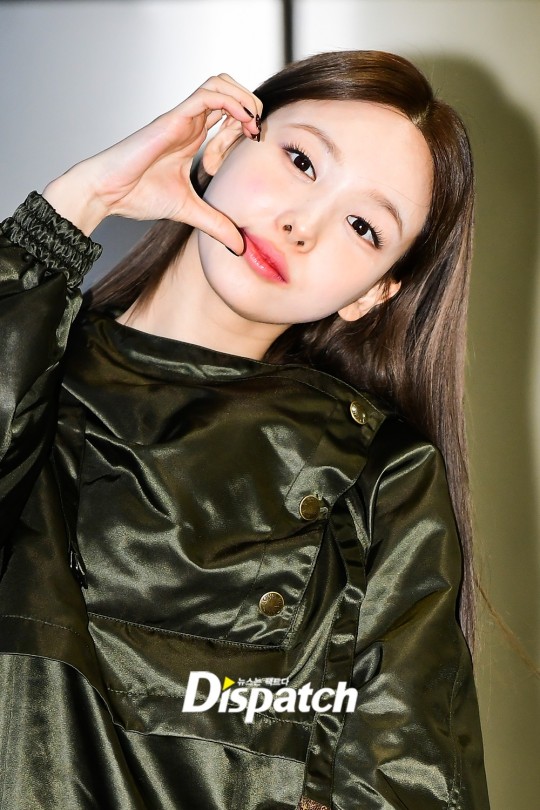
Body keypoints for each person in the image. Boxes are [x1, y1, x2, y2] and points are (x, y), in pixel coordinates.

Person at [0, 50, 490, 809]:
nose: (302, 225)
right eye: (302, 161)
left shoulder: (381, 480)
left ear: (373, 293)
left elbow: (409, 778)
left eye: (363, 226)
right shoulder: (32, 365)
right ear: (226, 139)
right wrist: (76, 206)